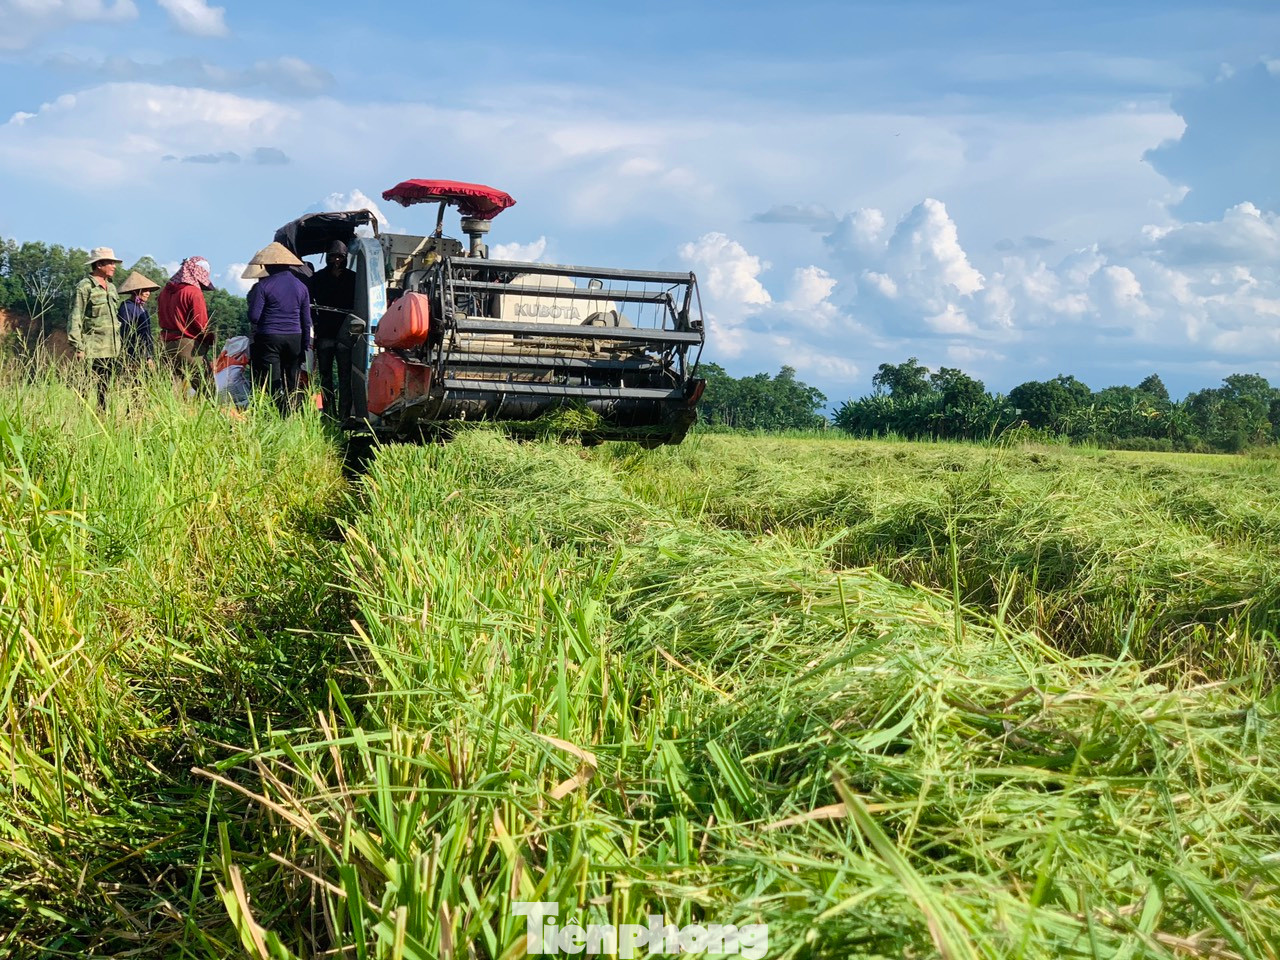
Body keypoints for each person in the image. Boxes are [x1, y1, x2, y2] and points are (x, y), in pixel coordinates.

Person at [247, 242, 311, 414]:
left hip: (269, 337)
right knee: (292, 378)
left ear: (268, 265)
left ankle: (277, 413)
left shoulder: (263, 286)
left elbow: (254, 317)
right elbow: (306, 320)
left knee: (272, 379)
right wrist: (305, 345)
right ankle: (291, 413)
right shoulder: (301, 287)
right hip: (295, 337)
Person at [308, 240, 359, 422]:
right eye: (333, 257)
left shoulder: (353, 278)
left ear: (346, 258)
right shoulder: (318, 278)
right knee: (326, 377)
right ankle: (329, 413)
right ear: (327, 258)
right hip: (325, 333)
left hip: (345, 334)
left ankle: (344, 415)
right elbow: (311, 303)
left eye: (340, 257)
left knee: (345, 376)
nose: (336, 260)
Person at [68, 246, 123, 408]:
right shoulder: (85, 287)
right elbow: (75, 316)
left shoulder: (111, 287)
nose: (114, 266)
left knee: (105, 389)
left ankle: (102, 416)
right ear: (99, 264)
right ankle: (80, 417)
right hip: (92, 348)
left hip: (111, 348)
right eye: (110, 263)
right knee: (85, 388)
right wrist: (78, 347)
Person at [157, 256, 216, 395]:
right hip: (187, 344)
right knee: (208, 389)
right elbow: (200, 323)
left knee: (171, 393)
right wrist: (209, 338)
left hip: (166, 344)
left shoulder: (165, 292)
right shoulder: (193, 292)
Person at [116, 271, 160, 369]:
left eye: (149, 290)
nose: (148, 293)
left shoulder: (142, 308)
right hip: (133, 354)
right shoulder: (127, 307)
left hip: (145, 353)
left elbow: (146, 334)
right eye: (145, 290)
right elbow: (126, 334)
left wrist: (149, 355)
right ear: (135, 291)